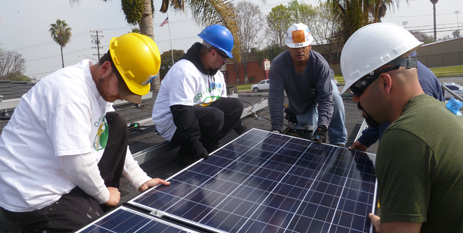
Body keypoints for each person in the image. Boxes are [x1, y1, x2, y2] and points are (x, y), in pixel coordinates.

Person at [0, 33, 170, 232]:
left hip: (63, 173)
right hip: (32, 193)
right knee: (95, 227)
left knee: (116, 122)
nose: (121, 96)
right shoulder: (69, 93)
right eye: (123, 87)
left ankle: (92, 201)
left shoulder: (97, 82)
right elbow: (76, 161)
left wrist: (140, 178)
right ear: (106, 68)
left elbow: (108, 136)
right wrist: (104, 195)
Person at [340, 22, 463, 233]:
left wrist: (386, 227)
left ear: (385, 83)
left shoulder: (402, 138)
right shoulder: (449, 112)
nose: (354, 99)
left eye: (357, 89)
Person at [152, 25, 246, 166]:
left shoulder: (218, 75)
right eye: (225, 57)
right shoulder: (184, 71)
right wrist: (196, 146)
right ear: (213, 53)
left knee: (236, 106)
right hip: (172, 123)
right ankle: (188, 153)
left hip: (197, 116)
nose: (226, 61)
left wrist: (239, 127)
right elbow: (182, 114)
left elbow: (224, 107)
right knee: (215, 116)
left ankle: (210, 145)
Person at [268, 23, 347, 146]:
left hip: (322, 88)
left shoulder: (320, 64)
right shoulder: (278, 64)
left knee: (335, 97)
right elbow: (275, 97)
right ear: (287, 47)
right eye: (295, 47)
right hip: (300, 96)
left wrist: (322, 128)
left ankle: (339, 140)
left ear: (310, 46)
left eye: (303, 46)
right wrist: (276, 128)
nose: (299, 50)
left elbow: (325, 98)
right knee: (307, 135)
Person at [349, 51, 445, 151]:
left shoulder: (418, 87)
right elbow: (384, 112)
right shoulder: (405, 70)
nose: (355, 99)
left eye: (359, 88)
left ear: (385, 82)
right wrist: (365, 139)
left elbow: (415, 149)